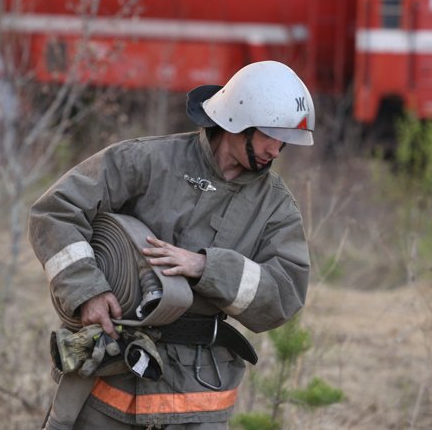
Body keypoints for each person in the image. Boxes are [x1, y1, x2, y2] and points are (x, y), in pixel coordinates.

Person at [28, 60, 316, 429]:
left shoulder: (276, 206)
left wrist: (206, 268)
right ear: (236, 121)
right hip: (111, 376)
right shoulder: (147, 160)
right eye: (270, 136)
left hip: (198, 394)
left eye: (284, 142)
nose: (276, 151)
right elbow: (54, 212)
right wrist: (87, 291)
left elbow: (286, 293)